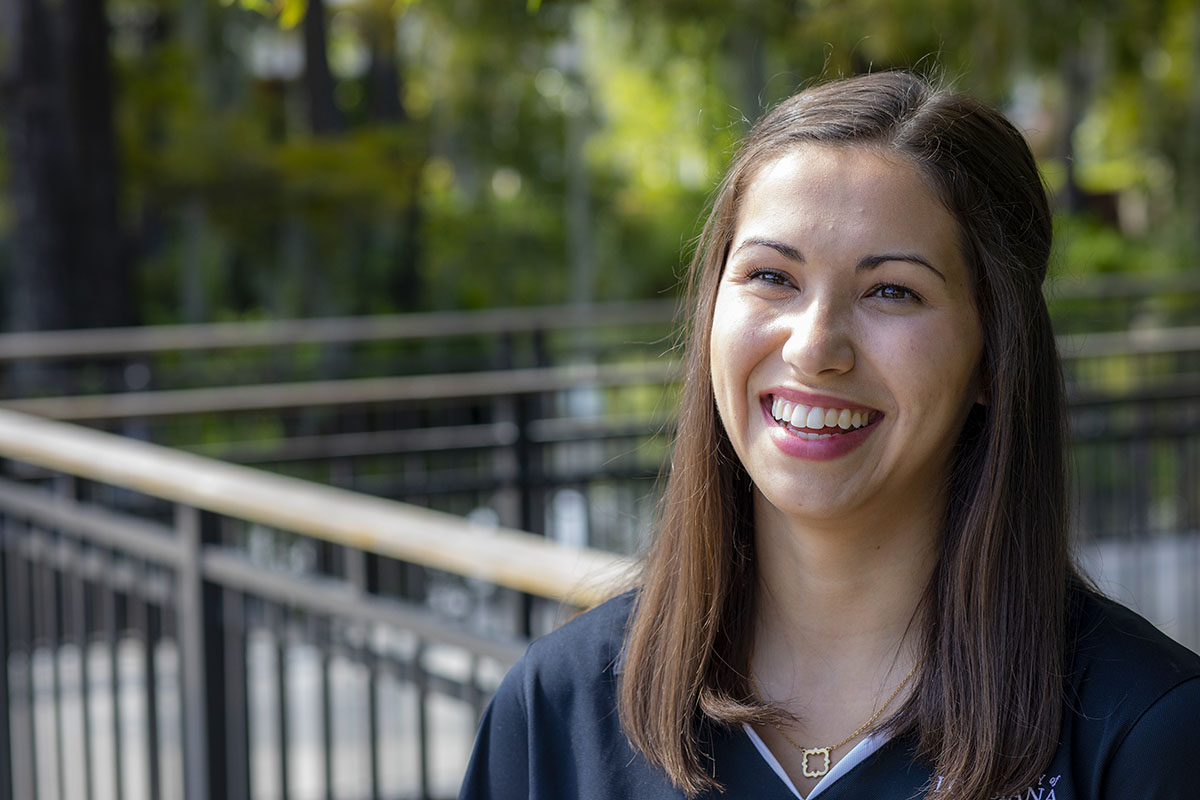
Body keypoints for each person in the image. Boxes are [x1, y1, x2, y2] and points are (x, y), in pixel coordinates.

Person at [458, 71, 1200, 800]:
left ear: (993, 357)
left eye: (892, 291)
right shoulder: (555, 712)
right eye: (771, 277)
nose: (815, 347)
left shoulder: (1144, 735)